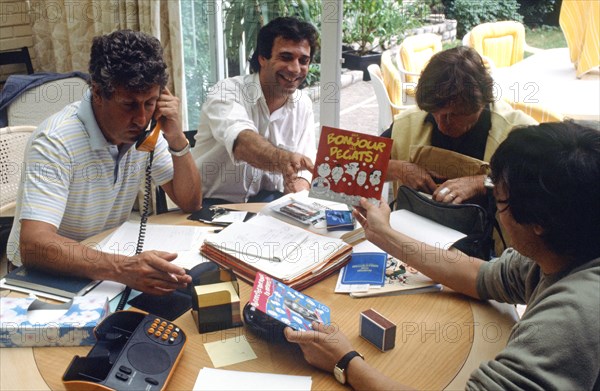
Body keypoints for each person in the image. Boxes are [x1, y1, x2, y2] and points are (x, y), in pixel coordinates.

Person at [286, 121, 600, 390]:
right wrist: (384, 234)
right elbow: (479, 276)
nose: (497, 210)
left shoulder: (572, 317)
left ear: (539, 224)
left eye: (499, 199)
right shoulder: (563, 247)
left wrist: (344, 361)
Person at [6, 30, 202, 295]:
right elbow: (34, 244)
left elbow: (190, 202)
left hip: (103, 260)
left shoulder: (145, 134)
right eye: (129, 105)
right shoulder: (55, 140)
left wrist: (176, 138)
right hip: (45, 274)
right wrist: (123, 268)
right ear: (97, 92)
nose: (142, 118)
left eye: (150, 103)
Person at [384, 46, 537, 204]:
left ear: (481, 102)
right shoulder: (407, 125)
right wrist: (398, 169)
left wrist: (483, 183)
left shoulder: (517, 132)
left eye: (454, 115)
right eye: (436, 113)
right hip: (409, 227)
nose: (442, 126)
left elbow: (541, 185)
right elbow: (358, 164)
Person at [191, 16, 319, 205]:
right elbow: (243, 144)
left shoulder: (303, 104)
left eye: (303, 60)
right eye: (286, 57)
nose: (295, 69)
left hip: (267, 204)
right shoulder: (227, 91)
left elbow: (304, 166)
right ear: (262, 58)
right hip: (210, 204)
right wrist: (284, 160)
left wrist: (299, 186)